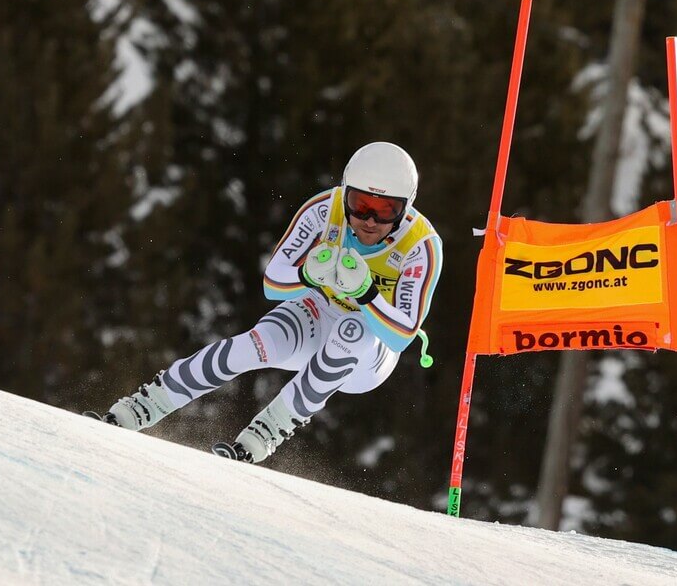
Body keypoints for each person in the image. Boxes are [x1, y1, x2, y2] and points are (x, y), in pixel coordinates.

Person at [88, 142, 443, 463]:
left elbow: (401, 335)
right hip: (318, 312)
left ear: (406, 208)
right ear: (345, 192)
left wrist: (367, 293)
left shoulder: (420, 245)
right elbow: (273, 282)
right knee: (254, 345)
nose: (369, 220)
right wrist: (306, 276)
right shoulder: (325, 208)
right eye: (361, 204)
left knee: (351, 329)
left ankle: (265, 433)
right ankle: (143, 406)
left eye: (385, 210)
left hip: (369, 351)